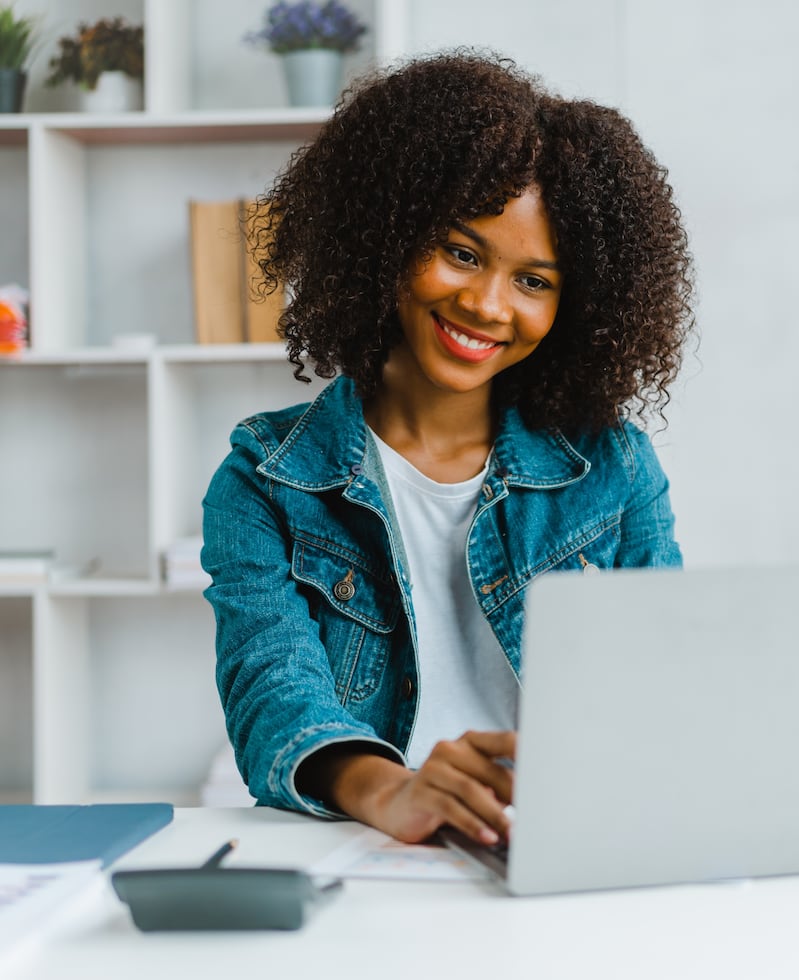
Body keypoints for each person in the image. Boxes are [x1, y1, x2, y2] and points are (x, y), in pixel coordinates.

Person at [201, 51, 694, 847]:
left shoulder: (615, 468)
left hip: (568, 845)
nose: (486, 305)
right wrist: (394, 793)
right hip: (372, 848)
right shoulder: (267, 478)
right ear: (383, 237)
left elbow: (667, 685)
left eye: (535, 281)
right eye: (462, 252)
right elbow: (273, 694)